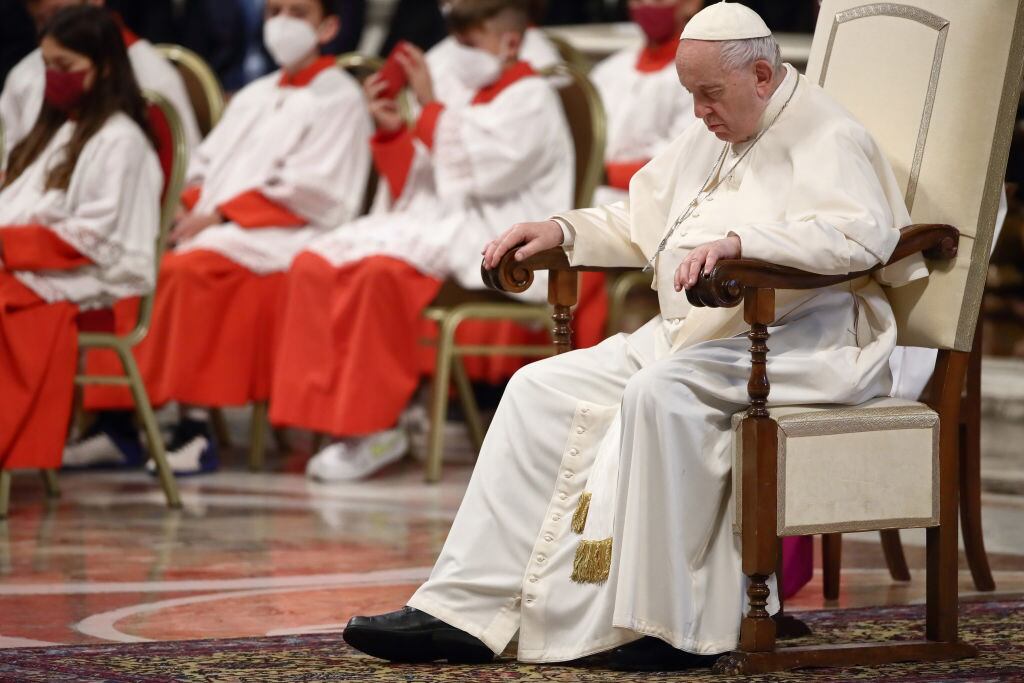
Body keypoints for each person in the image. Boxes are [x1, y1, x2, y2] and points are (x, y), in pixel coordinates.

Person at [342, 1, 926, 669]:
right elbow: (644, 218)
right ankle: (463, 608)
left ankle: (663, 624)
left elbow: (859, 235)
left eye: (709, 93)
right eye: (690, 94)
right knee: (537, 386)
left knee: (658, 394)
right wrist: (563, 230)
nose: (699, 111)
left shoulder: (829, 136)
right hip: (701, 335)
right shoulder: (718, 124)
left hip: (801, 339)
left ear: (762, 74)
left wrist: (743, 243)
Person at [269, 0, 575, 482]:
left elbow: (486, 174)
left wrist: (430, 108)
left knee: (380, 274)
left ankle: (377, 427)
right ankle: (326, 423)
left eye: (471, 44)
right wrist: (394, 131)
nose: (459, 55)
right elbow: (425, 177)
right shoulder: (468, 93)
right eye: (457, 43)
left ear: (511, 43)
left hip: (500, 235)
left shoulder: (532, 96)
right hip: (442, 220)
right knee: (313, 261)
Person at [63, 0, 373, 474]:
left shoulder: (340, 97)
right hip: (219, 228)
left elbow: (320, 191)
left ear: (329, 26)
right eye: (273, 12)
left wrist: (224, 216)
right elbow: (204, 167)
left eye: (297, 13)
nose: (281, 23)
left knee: (188, 273)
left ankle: (195, 430)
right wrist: (180, 212)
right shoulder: (255, 94)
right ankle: (115, 424)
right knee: (133, 260)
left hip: (285, 235)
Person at [0, 6, 161, 475]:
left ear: (105, 67)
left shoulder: (120, 140)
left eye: (65, 68)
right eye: (47, 65)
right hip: (24, 259)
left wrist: (8, 246)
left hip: (80, 275)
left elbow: (94, 235)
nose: (53, 78)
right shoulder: (53, 129)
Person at [1, 0, 201, 161]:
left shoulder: (153, 76)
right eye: (42, 21)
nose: (54, 29)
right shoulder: (24, 76)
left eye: (59, 13)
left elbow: (185, 175)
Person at [591, 0, 700, 206]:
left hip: (652, 205)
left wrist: (599, 174)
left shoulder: (699, 78)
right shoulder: (609, 69)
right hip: (590, 196)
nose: (647, 4)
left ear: (691, 3)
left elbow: (680, 162)